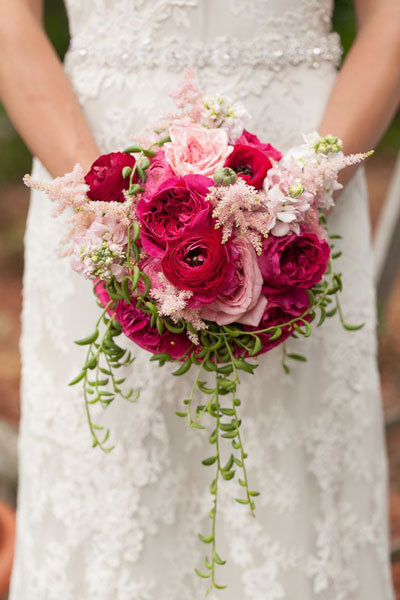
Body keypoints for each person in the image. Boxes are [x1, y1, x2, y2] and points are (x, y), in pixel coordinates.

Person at [1, 1, 399, 598]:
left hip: (306, 169)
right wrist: (105, 210)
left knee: (290, 481)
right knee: (114, 486)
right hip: (90, 171)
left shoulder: (305, 192)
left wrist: (302, 193)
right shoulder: (97, 202)